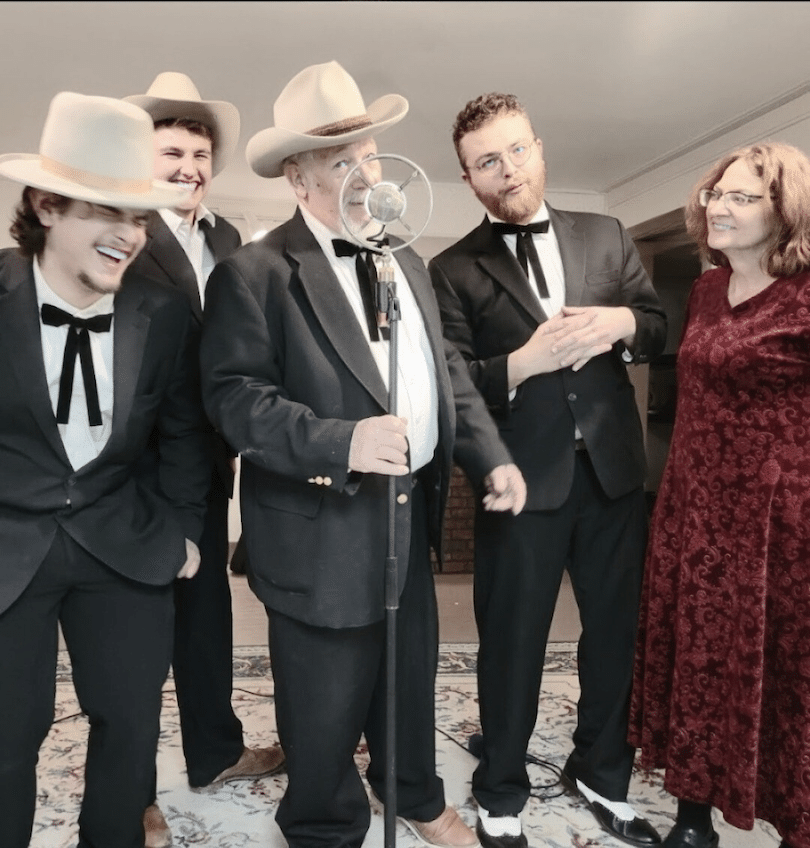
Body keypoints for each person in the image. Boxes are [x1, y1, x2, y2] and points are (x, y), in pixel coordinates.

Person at [199, 61, 527, 848]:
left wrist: (491, 457)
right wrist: (341, 441)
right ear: (299, 180)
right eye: (342, 162)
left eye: (371, 157)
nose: (365, 174)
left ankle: (412, 792)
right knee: (322, 701)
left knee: (408, 675)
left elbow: (445, 373)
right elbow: (235, 399)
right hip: (316, 528)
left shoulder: (406, 259)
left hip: (406, 523)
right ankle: (322, 822)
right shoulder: (254, 273)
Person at [428, 92, 668, 848]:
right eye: (486, 162)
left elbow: (660, 327)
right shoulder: (451, 267)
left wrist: (625, 323)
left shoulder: (606, 234)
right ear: (468, 178)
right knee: (512, 643)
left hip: (613, 478)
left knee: (613, 639)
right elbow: (452, 380)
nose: (507, 170)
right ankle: (500, 785)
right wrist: (522, 363)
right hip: (520, 484)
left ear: (540, 147)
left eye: (515, 150)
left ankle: (601, 772)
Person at [0, 91, 211, 848]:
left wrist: (185, 530)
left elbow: (187, 435)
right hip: (8, 541)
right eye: (104, 213)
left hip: (124, 537)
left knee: (129, 723)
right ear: (46, 206)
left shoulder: (163, 312)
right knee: (7, 732)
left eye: (137, 217)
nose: (128, 236)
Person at [629, 142, 810, 848]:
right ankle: (691, 815)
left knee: (781, 667)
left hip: (779, 519)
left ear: (785, 211)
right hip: (694, 506)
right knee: (695, 654)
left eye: (742, 197)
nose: (721, 208)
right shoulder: (705, 289)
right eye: (716, 195)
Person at [123, 71, 285, 848]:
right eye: (173, 151)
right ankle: (126, 794)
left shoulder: (224, 238)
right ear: (142, 157)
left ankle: (215, 753)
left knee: (205, 616)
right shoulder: (115, 224)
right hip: (133, 471)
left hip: (208, 463)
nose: (188, 166)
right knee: (133, 633)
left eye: (199, 154)